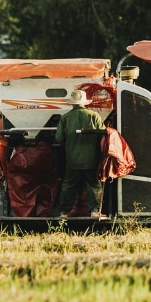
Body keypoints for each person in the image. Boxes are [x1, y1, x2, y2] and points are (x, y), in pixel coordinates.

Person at [53, 89, 104, 217]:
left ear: (72, 103)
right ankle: (94, 211)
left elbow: (59, 138)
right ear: (84, 102)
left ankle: (64, 212)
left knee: (68, 185)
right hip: (92, 159)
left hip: (72, 159)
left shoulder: (65, 118)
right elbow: (103, 136)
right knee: (94, 185)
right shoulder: (94, 116)